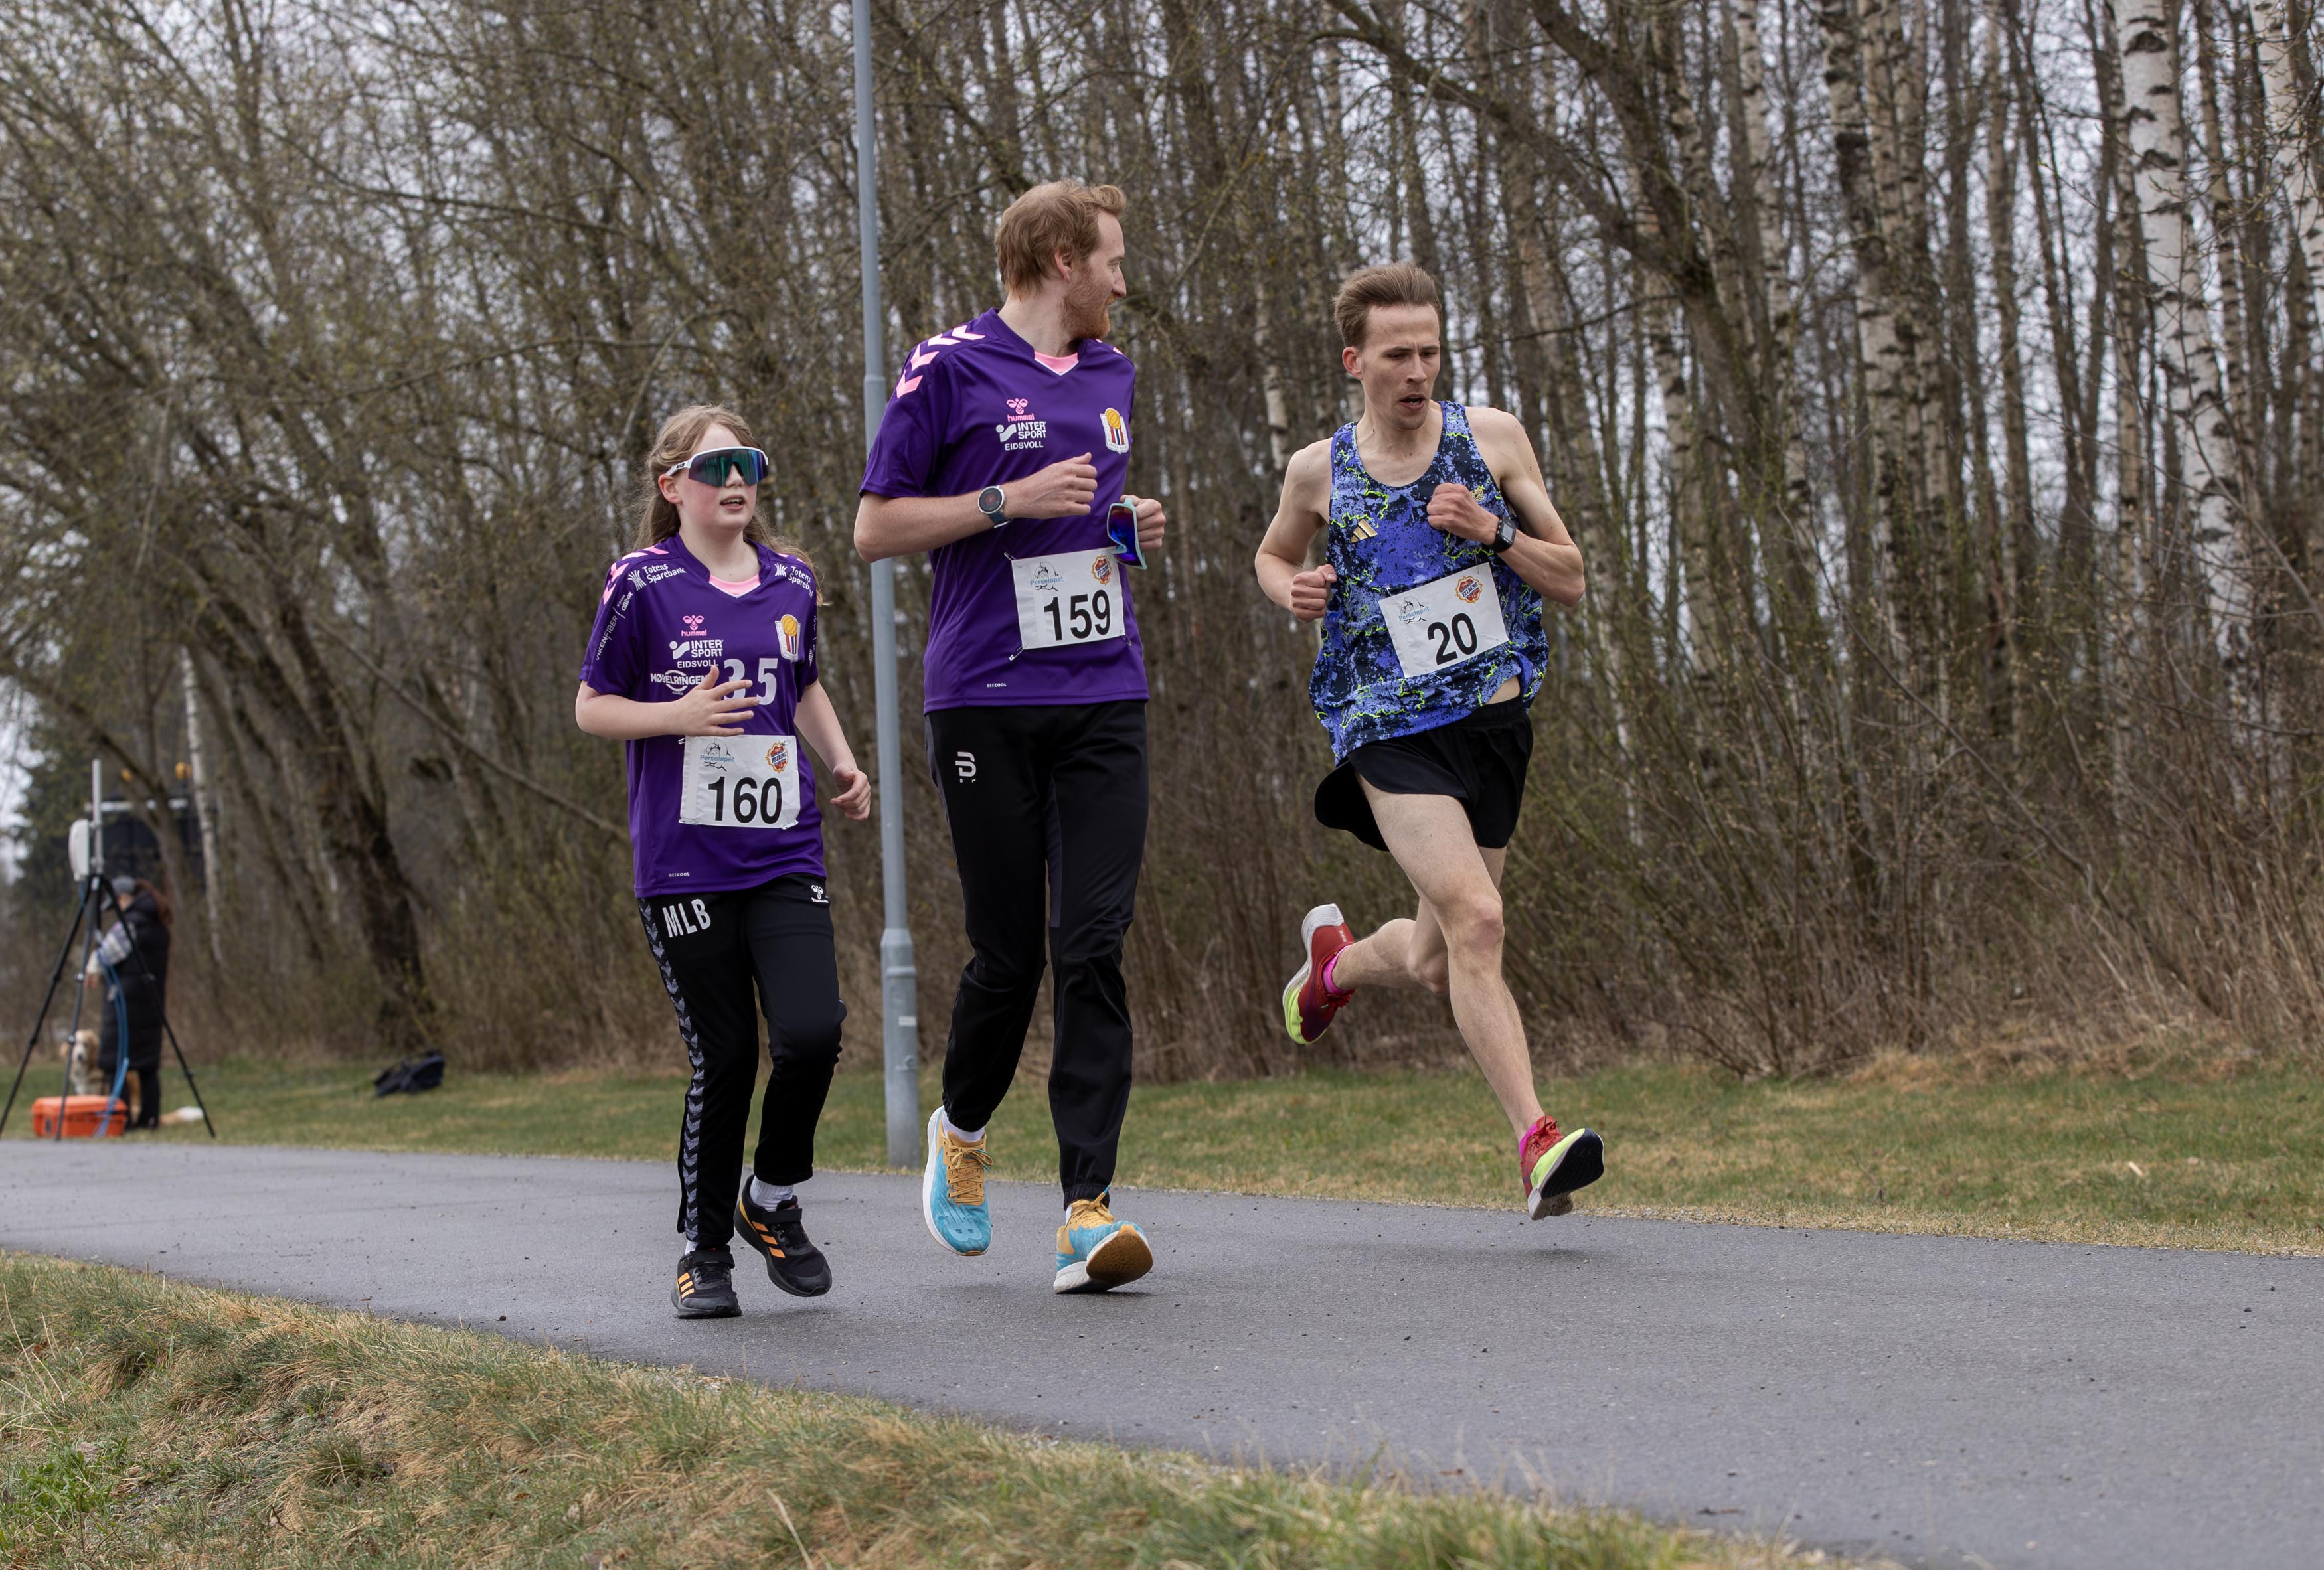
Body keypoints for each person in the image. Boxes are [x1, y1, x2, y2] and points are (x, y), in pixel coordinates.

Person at [855, 179, 1167, 1294]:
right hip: (984, 697)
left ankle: (1088, 1207)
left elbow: (1084, 520)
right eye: (1114, 260)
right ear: (1056, 261)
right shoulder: (950, 367)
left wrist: (1123, 529)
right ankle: (965, 1132)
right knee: (1011, 952)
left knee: (1093, 944)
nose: (1127, 281)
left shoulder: (1114, 375)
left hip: (1103, 691)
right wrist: (1006, 501)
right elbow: (875, 527)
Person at [1253, 264, 1606, 1219]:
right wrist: (1289, 588)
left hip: (1491, 719)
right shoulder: (1318, 471)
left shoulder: (1489, 441)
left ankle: (1334, 967)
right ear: (1354, 360)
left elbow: (1569, 579)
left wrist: (1492, 532)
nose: (1417, 370)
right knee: (1480, 918)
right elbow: (1276, 551)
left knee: (1439, 955)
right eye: (1398, 354)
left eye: (1431, 351)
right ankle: (1536, 1139)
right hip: (1387, 727)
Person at [576, 403, 872, 1318]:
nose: (737, 480)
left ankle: (773, 1196)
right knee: (728, 1054)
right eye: (716, 468)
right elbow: (593, 705)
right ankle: (704, 1254)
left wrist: (841, 759)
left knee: (814, 1031)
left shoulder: (792, 579)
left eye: (748, 462)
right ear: (673, 487)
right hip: (684, 867)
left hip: (782, 849)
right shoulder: (642, 585)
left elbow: (805, 680)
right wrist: (676, 717)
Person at [86, 875, 171, 1128]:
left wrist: (92, 967)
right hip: (152, 1001)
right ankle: (150, 1118)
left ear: (124, 899)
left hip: (126, 1001)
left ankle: (121, 1120)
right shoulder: (158, 924)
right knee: (147, 1064)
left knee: (115, 1061)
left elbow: (108, 952)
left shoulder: (132, 923)